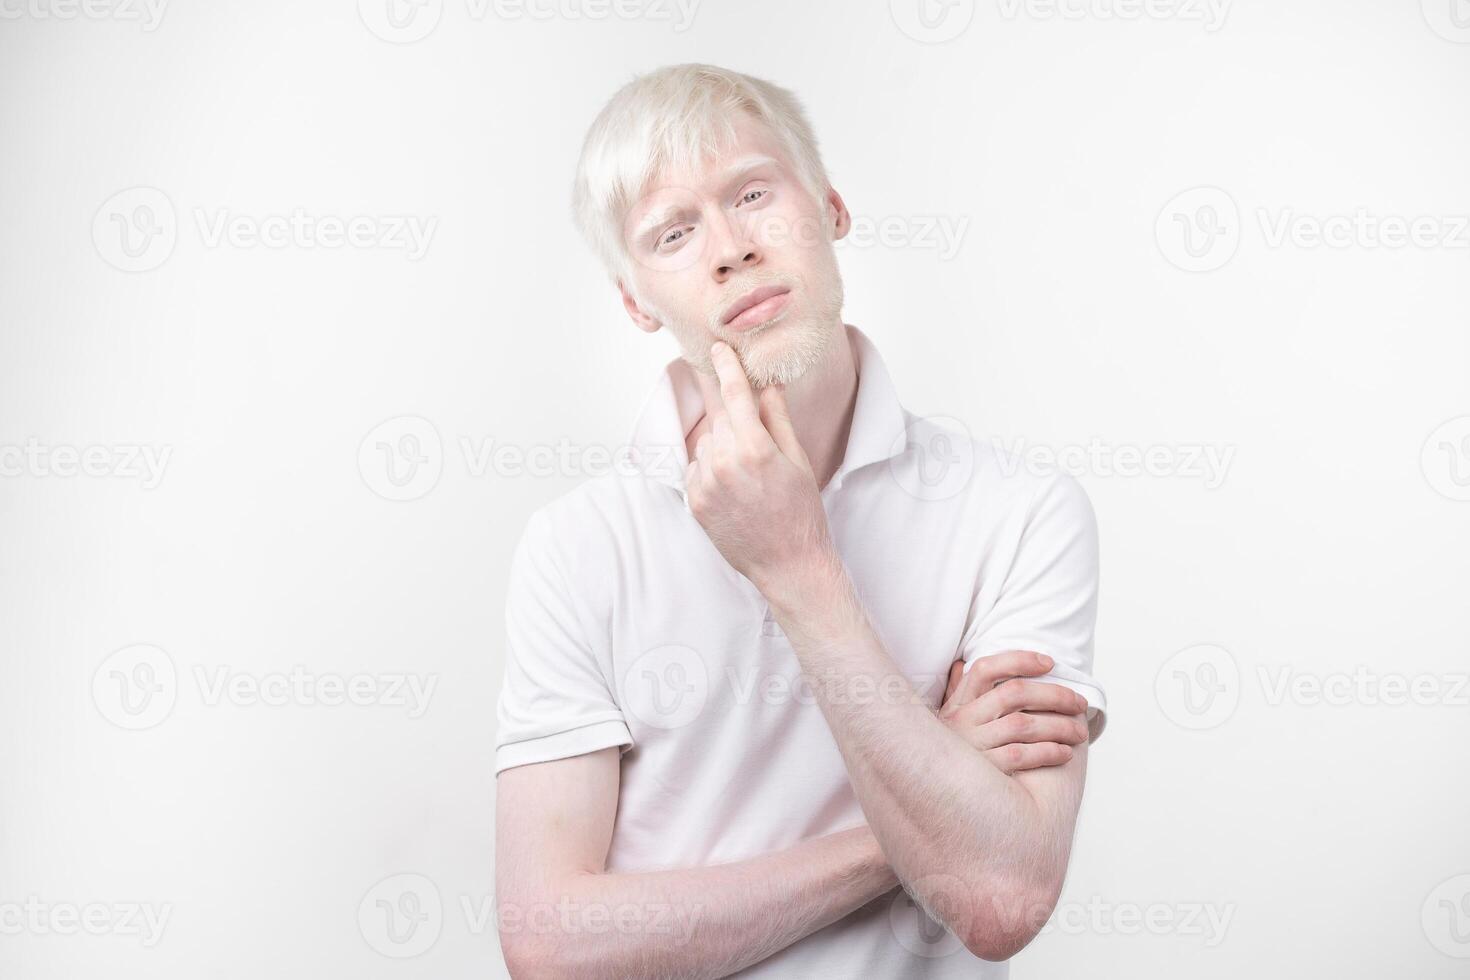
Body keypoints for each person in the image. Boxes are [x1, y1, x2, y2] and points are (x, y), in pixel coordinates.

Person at [494, 62, 1106, 978]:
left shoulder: (1021, 516)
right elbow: (548, 947)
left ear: (830, 207)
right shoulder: (576, 548)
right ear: (634, 301)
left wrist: (795, 564)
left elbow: (1002, 898)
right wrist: (919, 805)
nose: (731, 248)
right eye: (673, 233)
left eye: (752, 191)